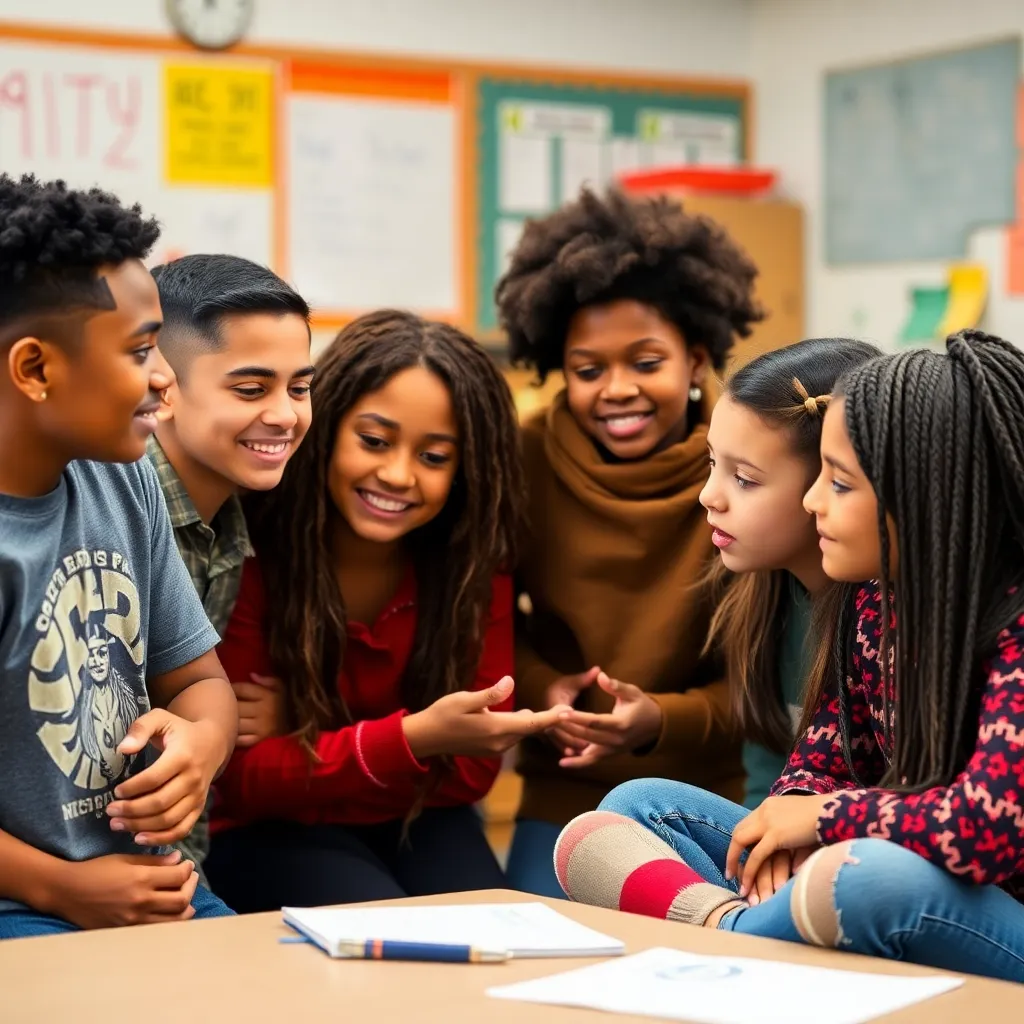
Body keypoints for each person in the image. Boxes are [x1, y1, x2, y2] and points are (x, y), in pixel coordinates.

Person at [556, 331, 1024, 982]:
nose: (812, 502)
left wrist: (824, 818)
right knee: (638, 807)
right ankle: (736, 932)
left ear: (925, 498)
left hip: (979, 907)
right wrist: (795, 810)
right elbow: (817, 762)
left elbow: (984, 833)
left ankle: (729, 943)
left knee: (869, 879)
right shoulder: (872, 608)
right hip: (871, 858)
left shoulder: (1014, 628)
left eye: (838, 482)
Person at [204, 310, 569, 911]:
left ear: (465, 468)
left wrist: (307, 731)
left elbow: (470, 775)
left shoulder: (471, 563)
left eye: (434, 457)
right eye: (373, 441)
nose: (397, 475)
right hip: (261, 833)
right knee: (380, 932)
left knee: (494, 926)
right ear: (325, 429)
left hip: (422, 820)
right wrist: (418, 735)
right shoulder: (256, 547)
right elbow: (243, 783)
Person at [495, 186, 763, 896]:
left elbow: (766, 676)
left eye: (647, 363)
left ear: (697, 360)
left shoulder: (745, 471)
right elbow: (481, 616)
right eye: (589, 370)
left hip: (700, 795)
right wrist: (538, 686)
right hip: (562, 791)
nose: (618, 389)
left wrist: (658, 721)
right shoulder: (523, 458)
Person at [0, 174, 236, 938]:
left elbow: (201, 681)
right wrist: (63, 889)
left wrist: (198, 746)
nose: (165, 377)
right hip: (27, 903)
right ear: (35, 370)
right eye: (140, 352)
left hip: (152, 888)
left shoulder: (125, 474)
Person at [148, 254, 314, 878]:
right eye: (251, 389)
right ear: (161, 389)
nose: (285, 414)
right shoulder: (115, 509)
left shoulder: (230, 519)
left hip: (179, 865)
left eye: (299, 387)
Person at [700, 338, 879, 808]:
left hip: (869, 854)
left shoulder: (883, 621)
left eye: (745, 479)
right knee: (635, 804)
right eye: (713, 463)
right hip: (786, 848)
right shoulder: (759, 600)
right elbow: (767, 786)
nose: (708, 496)